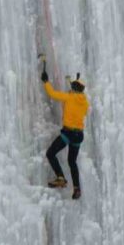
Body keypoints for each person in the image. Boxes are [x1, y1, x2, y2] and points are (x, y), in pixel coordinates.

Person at [41, 69, 89, 199]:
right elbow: (79, 105)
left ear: (74, 88)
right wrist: (73, 91)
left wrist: (46, 82)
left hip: (68, 132)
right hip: (79, 135)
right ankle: (77, 188)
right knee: (72, 161)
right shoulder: (85, 102)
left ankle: (60, 177)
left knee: (50, 153)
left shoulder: (69, 97)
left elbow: (52, 93)